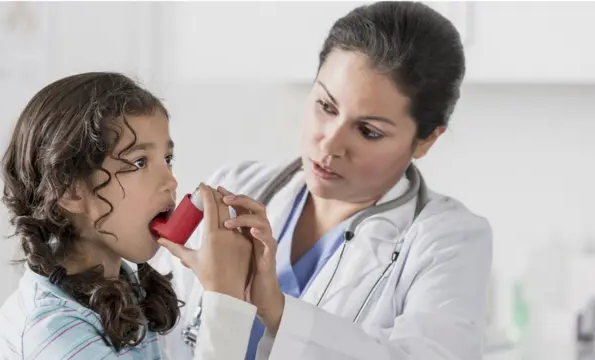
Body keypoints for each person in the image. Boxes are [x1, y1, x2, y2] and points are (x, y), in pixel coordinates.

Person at [152, 1, 493, 360]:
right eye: (326, 107)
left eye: (368, 131)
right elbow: (150, 318)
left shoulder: (448, 240)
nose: (330, 144)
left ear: (426, 140)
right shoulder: (236, 185)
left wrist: (280, 313)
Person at [0, 72, 258, 360]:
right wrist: (226, 300)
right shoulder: (53, 331)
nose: (170, 181)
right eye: (139, 162)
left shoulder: (121, 285)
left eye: (167, 159)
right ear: (71, 192)